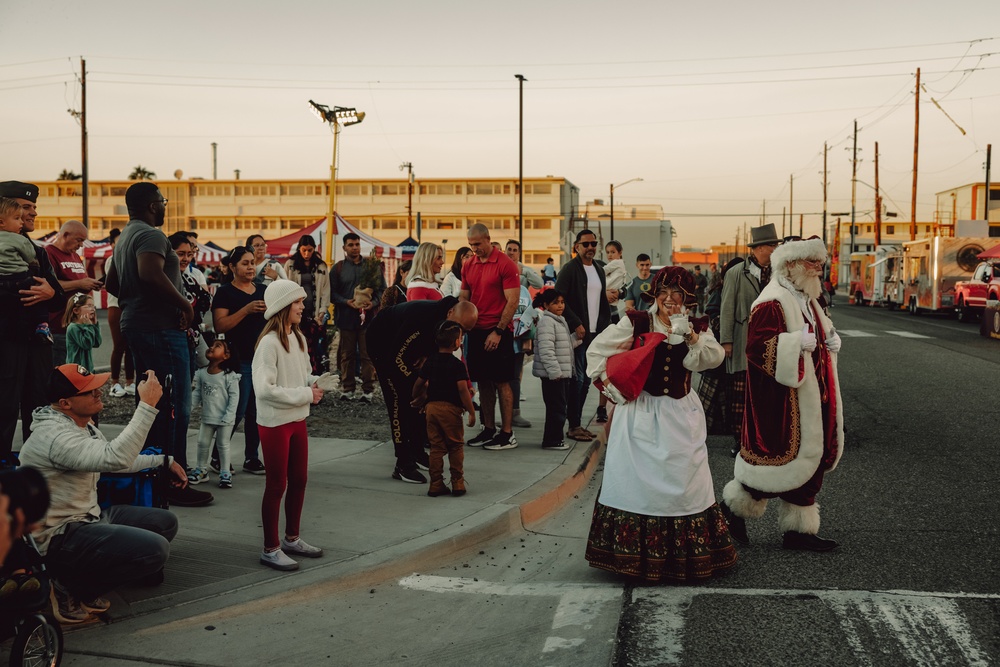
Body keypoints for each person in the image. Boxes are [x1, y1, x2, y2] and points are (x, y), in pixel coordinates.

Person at [584, 267, 736, 583]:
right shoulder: (637, 322)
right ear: (655, 294)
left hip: (680, 414)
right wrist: (612, 388)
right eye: (664, 292)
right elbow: (596, 352)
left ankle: (681, 558)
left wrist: (692, 337)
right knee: (635, 481)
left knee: (684, 480)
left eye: (677, 293)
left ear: (687, 298)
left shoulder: (698, 327)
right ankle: (633, 558)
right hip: (639, 412)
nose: (669, 299)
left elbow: (714, 358)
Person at [19, 366, 187, 623]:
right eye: (88, 391)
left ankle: (86, 576)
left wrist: (163, 461)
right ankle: (66, 586)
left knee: (165, 523)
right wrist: (147, 406)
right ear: (65, 403)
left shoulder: (80, 425)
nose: (99, 393)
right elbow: (114, 457)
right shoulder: (55, 436)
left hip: (87, 517)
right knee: (155, 550)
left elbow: (114, 459)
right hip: (59, 535)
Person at [721, 237, 844, 553]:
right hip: (782, 399)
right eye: (811, 263)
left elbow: (818, 335)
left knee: (811, 459)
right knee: (774, 460)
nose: (818, 269)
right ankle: (731, 511)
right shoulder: (772, 300)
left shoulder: (806, 297)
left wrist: (829, 340)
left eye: (819, 263)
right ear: (791, 266)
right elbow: (757, 349)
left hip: (813, 394)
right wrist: (792, 347)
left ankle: (799, 529)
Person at [105, 182, 213, 508]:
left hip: (137, 324)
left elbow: (112, 282)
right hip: (160, 328)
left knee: (151, 404)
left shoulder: (125, 237)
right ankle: (173, 482)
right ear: (153, 205)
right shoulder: (151, 235)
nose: (165, 207)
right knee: (174, 406)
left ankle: (152, 475)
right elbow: (150, 274)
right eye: (163, 202)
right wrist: (185, 304)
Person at [253, 280, 325, 572]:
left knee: (299, 480)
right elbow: (264, 390)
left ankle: (292, 538)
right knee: (276, 485)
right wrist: (307, 393)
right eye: (298, 302)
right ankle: (271, 548)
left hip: (297, 420)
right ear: (284, 306)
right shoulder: (268, 344)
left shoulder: (298, 337)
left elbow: (303, 374)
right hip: (274, 424)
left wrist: (316, 383)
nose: (302, 306)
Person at [368, 297, 479, 483]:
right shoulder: (423, 317)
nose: (459, 334)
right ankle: (403, 463)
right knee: (399, 399)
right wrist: (419, 385)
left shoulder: (447, 324)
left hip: (403, 345)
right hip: (383, 343)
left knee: (422, 398)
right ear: (450, 312)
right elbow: (396, 359)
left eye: (465, 332)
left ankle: (417, 451)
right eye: (459, 327)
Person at [0, 181, 60, 469]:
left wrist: (50, 293)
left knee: (39, 407)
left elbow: (59, 296)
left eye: (34, 207)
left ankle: (35, 470)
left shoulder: (37, 251)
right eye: (25, 207)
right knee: (4, 407)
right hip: (6, 341)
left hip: (37, 343)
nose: (33, 213)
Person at [719, 223, 780, 458]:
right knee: (741, 395)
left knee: (768, 393)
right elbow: (726, 309)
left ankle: (766, 441)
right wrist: (726, 341)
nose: (775, 249)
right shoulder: (736, 273)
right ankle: (740, 440)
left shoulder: (779, 273)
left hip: (772, 343)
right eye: (772, 245)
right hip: (742, 339)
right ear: (759, 248)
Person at [460, 224, 521, 451]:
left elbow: (512, 301)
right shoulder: (469, 264)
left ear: (488, 239)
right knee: (483, 381)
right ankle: (488, 429)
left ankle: (507, 434)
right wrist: (461, 327)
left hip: (498, 329)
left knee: (502, 382)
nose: (475, 249)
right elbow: (464, 298)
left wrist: (498, 330)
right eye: (471, 245)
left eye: (478, 244)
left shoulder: (505, 264)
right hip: (475, 330)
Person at [211, 246, 268, 476]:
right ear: (232, 267)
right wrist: (245, 310)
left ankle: (252, 457)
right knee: (236, 410)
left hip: (261, 360)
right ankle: (217, 455)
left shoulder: (263, 290)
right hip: (238, 360)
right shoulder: (225, 292)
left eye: (252, 262)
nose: (251, 267)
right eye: (245, 263)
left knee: (258, 411)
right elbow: (220, 326)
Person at [554, 229, 611, 443]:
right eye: (586, 244)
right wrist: (575, 322)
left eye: (593, 244)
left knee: (586, 381)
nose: (590, 248)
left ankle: (576, 424)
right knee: (577, 380)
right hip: (579, 333)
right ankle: (573, 426)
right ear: (576, 246)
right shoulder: (570, 269)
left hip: (596, 334)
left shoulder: (599, 269)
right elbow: (560, 299)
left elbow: (600, 300)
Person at [411, 320, 475, 498]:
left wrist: (416, 397)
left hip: (431, 409)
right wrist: (470, 410)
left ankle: (436, 484)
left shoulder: (430, 362)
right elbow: (462, 389)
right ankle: (457, 482)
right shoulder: (457, 365)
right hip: (450, 410)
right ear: (456, 343)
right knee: (455, 446)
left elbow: (419, 383)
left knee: (436, 448)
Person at [330, 233, 385, 402]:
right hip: (346, 318)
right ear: (344, 248)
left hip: (367, 319)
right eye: (351, 245)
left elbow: (382, 290)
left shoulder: (371, 266)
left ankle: (368, 391)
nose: (354, 247)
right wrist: (346, 302)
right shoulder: (338, 268)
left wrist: (374, 303)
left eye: (357, 244)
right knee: (347, 355)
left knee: (367, 354)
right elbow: (331, 294)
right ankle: (348, 389)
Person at [45, 220, 103, 364]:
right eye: (79, 240)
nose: (81, 245)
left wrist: (89, 285)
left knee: (80, 372)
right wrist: (80, 283)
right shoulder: (48, 253)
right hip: (59, 328)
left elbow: (77, 284)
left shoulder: (75, 256)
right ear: (65, 235)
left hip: (80, 326)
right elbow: (48, 285)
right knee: (62, 376)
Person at [189, 336, 241, 490]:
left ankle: (225, 473)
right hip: (207, 417)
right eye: (211, 345)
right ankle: (201, 469)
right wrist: (189, 408)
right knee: (202, 443)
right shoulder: (202, 373)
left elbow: (234, 397)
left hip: (225, 419)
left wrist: (230, 415)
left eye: (217, 346)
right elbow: (197, 394)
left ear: (226, 355)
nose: (211, 347)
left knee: (223, 445)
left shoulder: (229, 376)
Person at [532, 289, 578, 450]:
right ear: (546, 305)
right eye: (556, 303)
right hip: (554, 375)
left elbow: (562, 345)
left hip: (561, 373)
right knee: (556, 408)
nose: (560, 306)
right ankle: (552, 440)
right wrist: (554, 372)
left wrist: (576, 340)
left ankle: (554, 438)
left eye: (562, 302)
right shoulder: (547, 322)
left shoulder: (559, 320)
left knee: (559, 406)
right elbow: (546, 350)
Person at [0, 197, 50, 344]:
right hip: (20, 277)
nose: (21, 221)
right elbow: (29, 256)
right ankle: (42, 325)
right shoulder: (19, 239)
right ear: (2, 222)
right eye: (17, 218)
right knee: (37, 296)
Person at [504, 239, 540, 429]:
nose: (511, 253)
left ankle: (514, 412)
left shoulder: (523, 285)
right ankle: (502, 415)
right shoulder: (498, 277)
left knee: (514, 376)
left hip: (517, 339)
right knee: (501, 378)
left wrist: (522, 270)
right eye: (508, 250)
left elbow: (539, 283)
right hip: (500, 336)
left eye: (515, 250)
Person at [283, 235, 331, 374]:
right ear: (299, 249)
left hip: (315, 313)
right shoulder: (290, 264)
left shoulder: (321, 266)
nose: (307, 254)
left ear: (314, 249)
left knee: (315, 348)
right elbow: (285, 286)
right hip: (296, 313)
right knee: (296, 346)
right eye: (304, 250)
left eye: (310, 250)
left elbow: (326, 290)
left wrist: (323, 310)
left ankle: (314, 377)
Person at [170, 232, 213, 375]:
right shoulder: (163, 278)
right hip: (172, 338)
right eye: (181, 254)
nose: (187, 258)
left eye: (190, 253)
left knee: (198, 371)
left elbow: (207, 300)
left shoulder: (189, 278)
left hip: (193, 335)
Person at [104, 228, 135, 398]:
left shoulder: (131, 259)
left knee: (131, 347)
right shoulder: (111, 260)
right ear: (112, 244)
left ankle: (130, 382)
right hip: (116, 307)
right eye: (118, 241)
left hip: (129, 307)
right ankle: (114, 383)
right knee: (119, 346)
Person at [63, 293, 101, 372]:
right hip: (76, 370)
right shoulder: (73, 327)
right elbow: (86, 344)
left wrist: (95, 325)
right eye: (89, 306)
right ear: (76, 310)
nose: (93, 309)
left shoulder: (87, 326)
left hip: (87, 369)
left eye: (93, 306)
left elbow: (97, 343)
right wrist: (89, 326)